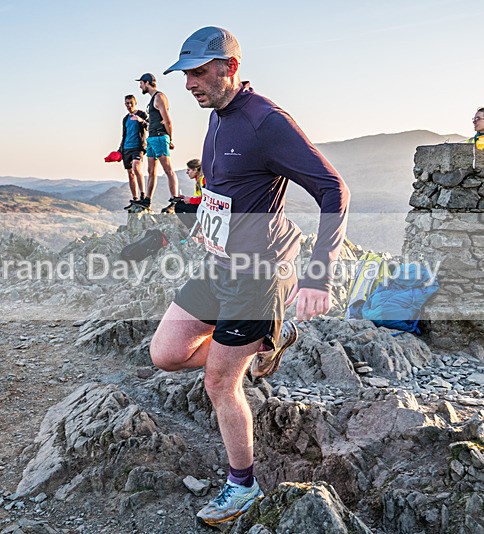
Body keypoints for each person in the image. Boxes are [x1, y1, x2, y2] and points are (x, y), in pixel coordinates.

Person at [150, 27, 350, 526]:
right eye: (185, 75)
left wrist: (317, 275)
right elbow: (233, 191)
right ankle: (264, 342)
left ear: (229, 68)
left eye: (198, 72)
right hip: (219, 264)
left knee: (220, 382)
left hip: (260, 273)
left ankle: (243, 488)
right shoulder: (217, 116)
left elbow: (333, 190)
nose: (190, 84)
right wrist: (200, 217)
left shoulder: (267, 121)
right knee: (167, 354)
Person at [136, 73, 181, 213]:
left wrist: (170, 139)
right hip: (152, 138)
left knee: (168, 170)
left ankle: (175, 200)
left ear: (147, 82)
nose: (140, 86)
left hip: (160, 137)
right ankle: (147, 200)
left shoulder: (159, 97)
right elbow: (155, 120)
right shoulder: (152, 100)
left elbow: (167, 120)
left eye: (141, 83)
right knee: (151, 171)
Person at [118, 95, 148, 211]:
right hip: (126, 148)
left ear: (135, 102)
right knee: (130, 174)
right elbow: (124, 134)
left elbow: (149, 126)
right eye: (127, 103)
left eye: (131, 103)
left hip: (138, 147)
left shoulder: (141, 114)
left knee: (136, 168)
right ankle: (135, 199)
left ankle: (143, 195)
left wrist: (141, 121)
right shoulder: (125, 119)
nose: (129, 105)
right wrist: (120, 149)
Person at [173, 158, 205, 229]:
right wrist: (185, 198)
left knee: (178, 207)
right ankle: (193, 225)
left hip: (203, 209)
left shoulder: (203, 180)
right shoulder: (199, 179)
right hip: (201, 207)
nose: (187, 172)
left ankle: (192, 226)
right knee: (180, 204)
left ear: (195, 170)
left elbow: (206, 199)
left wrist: (190, 200)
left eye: (188, 170)